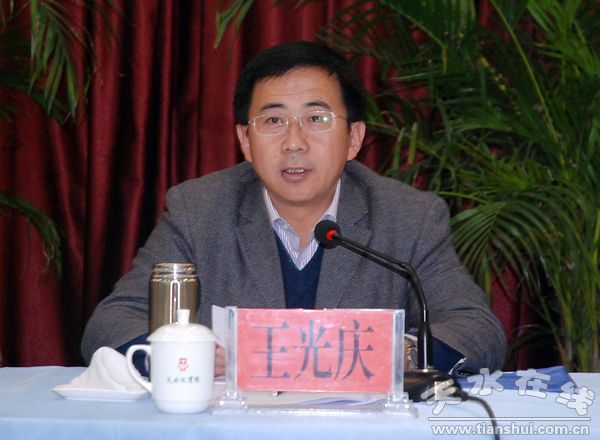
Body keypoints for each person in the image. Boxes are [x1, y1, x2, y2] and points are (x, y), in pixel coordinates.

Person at [81, 41, 506, 375]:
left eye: (317, 119)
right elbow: (112, 322)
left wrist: (402, 353)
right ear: (246, 141)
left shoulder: (408, 216)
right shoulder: (199, 211)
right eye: (273, 121)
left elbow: (476, 329)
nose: (294, 143)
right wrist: (183, 356)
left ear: (354, 138)